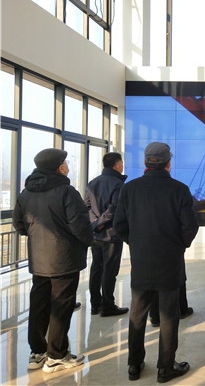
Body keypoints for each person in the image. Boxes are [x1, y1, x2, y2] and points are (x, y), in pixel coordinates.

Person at [114, 142, 199, 383]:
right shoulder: (179, 189)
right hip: (170, 261)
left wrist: (136, 244)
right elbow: (189, 226)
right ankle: (166, 368)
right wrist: (179, 246)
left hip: (141, 261)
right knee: (169, 316)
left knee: (137, 315)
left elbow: (119, 225)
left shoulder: (130, 189)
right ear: (168, 164)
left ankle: (134, 365)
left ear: (145, 163)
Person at [13, 148, 93, 373]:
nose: (68, 166)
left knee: (39, 305)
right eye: (65, 163)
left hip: (38, 260)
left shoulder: (26, 193)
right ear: (59, 168)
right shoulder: (67, 192)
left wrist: (37, 238)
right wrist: (89, 242)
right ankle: (57, 355)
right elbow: (80, 225)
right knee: (61, 306)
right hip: (64, 260)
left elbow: (19, 224)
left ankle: (37, 352)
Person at [85, 152, 129, 317]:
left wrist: (94, 224)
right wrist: (101, 223)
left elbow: (86, 207)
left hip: (95, 234)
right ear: (117, 166)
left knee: (96, 268)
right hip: (111, 234)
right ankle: (108, 306)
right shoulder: (118, 184)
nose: (122, 166)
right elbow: (114, 209)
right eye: (121, 163)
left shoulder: (93, 182)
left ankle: (95, 304)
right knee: (110, 271)